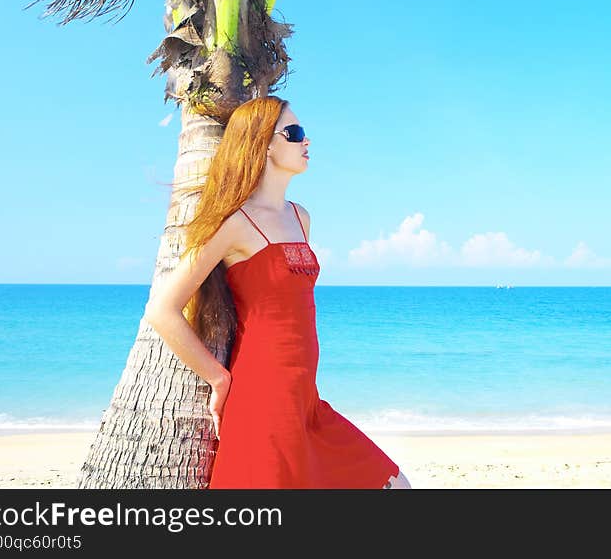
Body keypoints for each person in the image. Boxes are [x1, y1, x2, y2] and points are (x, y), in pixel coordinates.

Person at [145, 96, 412, 489]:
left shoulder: (301, 217)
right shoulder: (236, 223)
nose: (307, 142)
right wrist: (218, 379)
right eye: (295, 133)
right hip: (263, 398)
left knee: (394, 484)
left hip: (306, 400)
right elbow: (162, 310)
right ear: (264, 143)